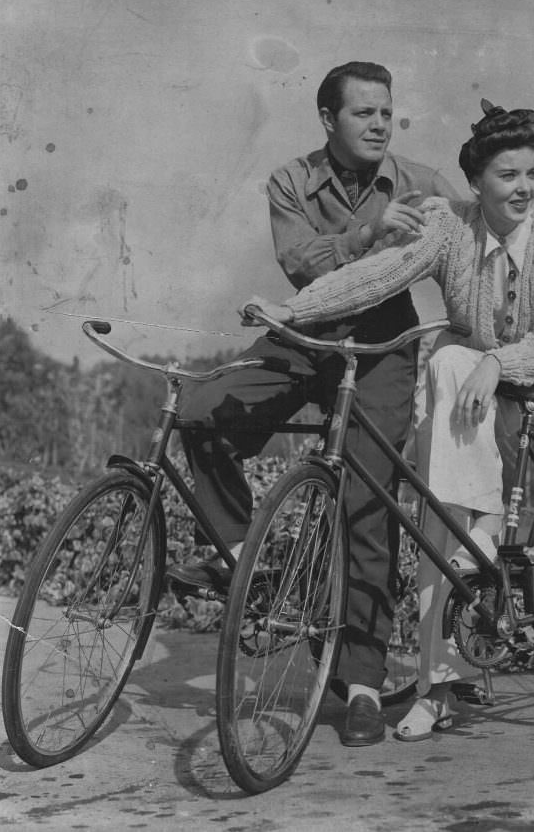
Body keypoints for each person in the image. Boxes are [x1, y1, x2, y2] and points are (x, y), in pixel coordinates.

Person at [243, 97, 534, 742]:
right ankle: (449, 647)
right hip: (463, 403)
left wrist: (496, 363)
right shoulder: (448, 227)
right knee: (441, 507)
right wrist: (295, 311)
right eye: (507, 176)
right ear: (475, 183)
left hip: (517, 383)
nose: (523, 189)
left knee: (454, 366)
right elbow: (378, 276)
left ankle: (457, 619)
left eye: (531, 175)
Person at [172, 60, 458, 748]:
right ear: (328, 120)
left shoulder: (423, 181)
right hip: (303, 332)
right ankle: (247, 557)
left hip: (383, 349)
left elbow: (471, 240)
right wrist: (369, 233)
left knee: (366, 500)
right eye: (364, 113)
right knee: (200, 410)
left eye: (387, 111)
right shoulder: (291, 182)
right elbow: (300, 262)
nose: (380, 124)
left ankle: (360, 686)